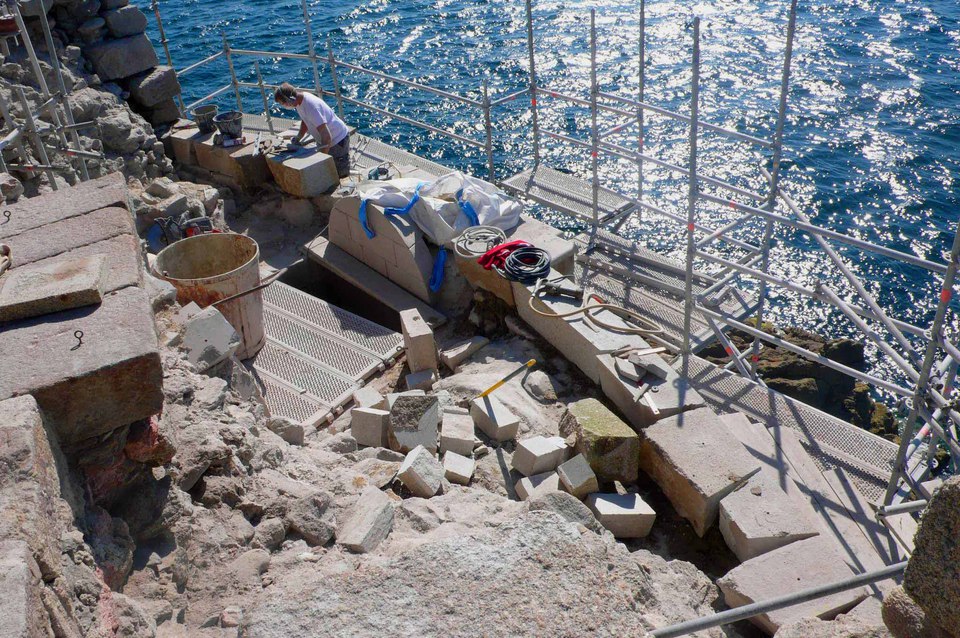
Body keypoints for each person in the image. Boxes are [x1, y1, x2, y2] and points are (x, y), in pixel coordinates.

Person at [274, 83, 350, 178]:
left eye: (283, 103)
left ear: (290, 99)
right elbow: (306, 121)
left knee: (338, 174)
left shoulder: (311, 107)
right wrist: (298, 137)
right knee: (326, 172)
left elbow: (327, 138)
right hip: (325, 140)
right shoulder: (299, 101)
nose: (284, 106)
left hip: (338, 140)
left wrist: (320, 161)